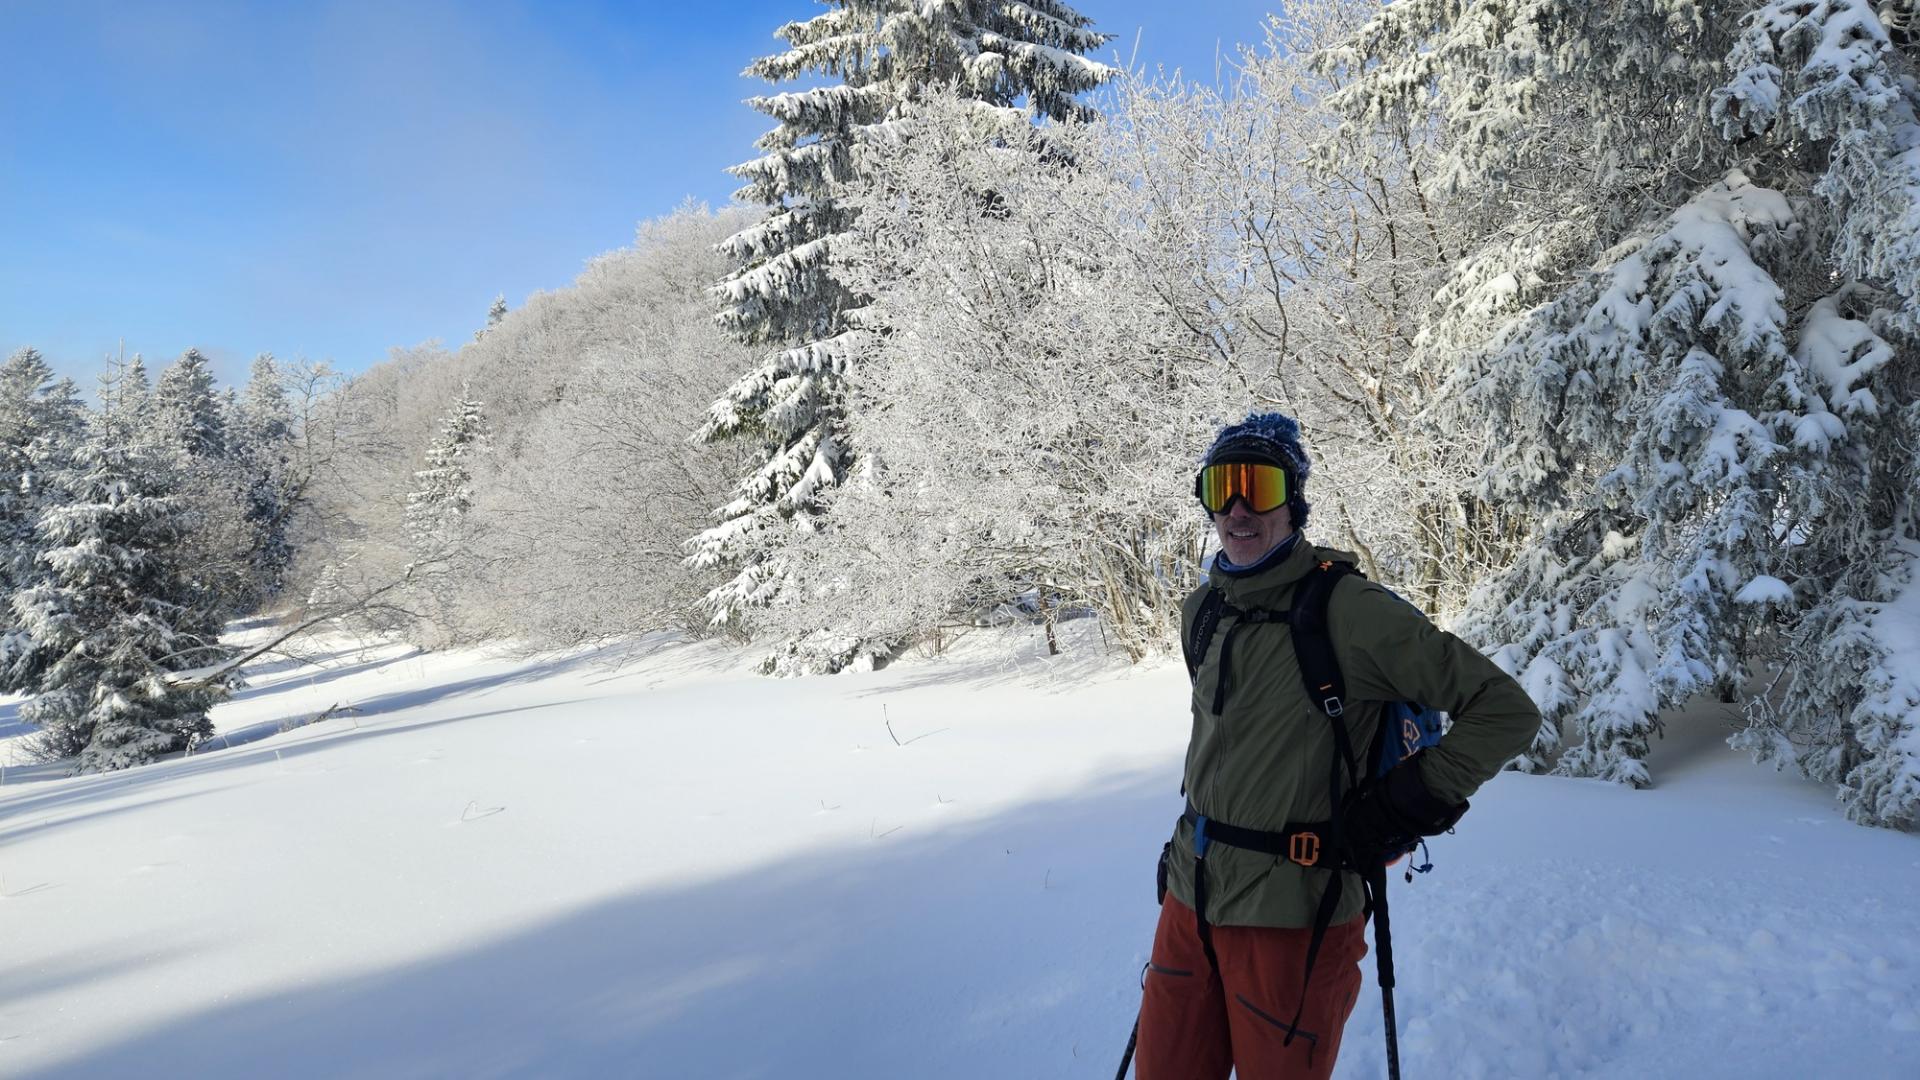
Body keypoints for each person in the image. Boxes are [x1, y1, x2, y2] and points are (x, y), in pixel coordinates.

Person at [1130, 412, 1541, 1079]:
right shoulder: (1202, 611)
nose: (1237, 509)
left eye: (1259, 487)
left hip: (1297, 916)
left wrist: (1405, 802)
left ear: (1292, 502)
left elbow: (1506, 710)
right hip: (1189, 900)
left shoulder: (1350, 612)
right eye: (1220, 487)